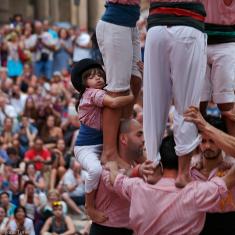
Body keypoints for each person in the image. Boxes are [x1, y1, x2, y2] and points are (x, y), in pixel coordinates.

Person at [107, 134, 235, 235]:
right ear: (187, 162)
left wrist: (112, 166)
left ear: (160, 162)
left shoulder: (137, 187)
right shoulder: (195, 193)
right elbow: (230, 179)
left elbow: (116, 180)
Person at [143, 0, 207, 188]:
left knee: (153, 101)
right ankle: (183, 172)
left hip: (157, 25)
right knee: (186, 105)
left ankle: (153, 167)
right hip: (188, 21)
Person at [71, 58, 134, 222]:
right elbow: (113, 103)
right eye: (91, 76)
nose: (98, 78)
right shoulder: (92, 93)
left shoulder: (104, 90)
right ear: (84, 83)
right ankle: (89, 207)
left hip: (105, 144)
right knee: (95, 171)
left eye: (100, 74)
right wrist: (132, 94)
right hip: (86, 147)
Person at [96, 0, 142, 165]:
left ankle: (121, 137)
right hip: (116, 24)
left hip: (131, 23)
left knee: (136, 80)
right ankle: (109, 152)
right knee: (117, 90)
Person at [90, 119, 148, 235]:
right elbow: (118, 183)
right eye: (139, 134)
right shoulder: (107, 166)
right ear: (123, 139)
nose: (143, 140)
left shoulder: (136, 164)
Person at [190, 115, 235, 234]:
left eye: (212, 141)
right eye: (203, 141)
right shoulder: (190, 169)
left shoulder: (231, 167)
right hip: (197, 225)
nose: (207, 146)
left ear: (221, 142)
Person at [200, 0, 235, 137]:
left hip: (226, 42)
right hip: (198, 39)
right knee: (198, 103)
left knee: (226, 104)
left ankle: (232, 156)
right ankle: (199, 152)